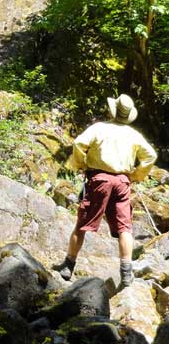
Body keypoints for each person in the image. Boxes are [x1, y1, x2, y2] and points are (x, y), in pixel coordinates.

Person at [57, 94, 157, 287]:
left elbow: (78, 143)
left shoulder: (99, 128)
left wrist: (81, 163)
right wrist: (136, 175)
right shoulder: (133, 135)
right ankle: (126, 274)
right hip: (122, 182)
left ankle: (68, 265)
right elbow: (150, 155)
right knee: (124, 228)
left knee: (83, 223)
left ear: (113, 110)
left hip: (99, 179)